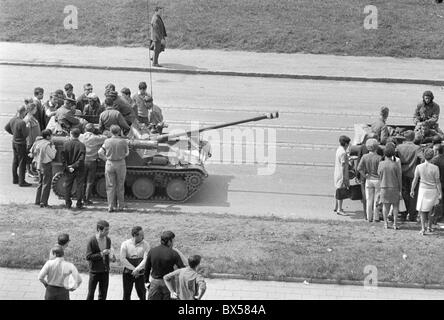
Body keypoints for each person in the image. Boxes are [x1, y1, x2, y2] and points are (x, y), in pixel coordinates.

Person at [144, 231, 185, 300]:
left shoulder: (152, 251)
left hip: (155, 283)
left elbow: (147, 268)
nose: (173, 243)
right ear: (169, 241)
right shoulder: (174, 253)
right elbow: (182, 269)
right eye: (173, 241)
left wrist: (146, 282)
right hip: (169, 284)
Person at [98, 125, 129, 212]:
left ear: (111, 132)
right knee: (120, 185)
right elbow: (127, 153)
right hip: (120, 163)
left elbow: (100, 152)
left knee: (110, 186)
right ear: (119, 132)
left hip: (110, 163)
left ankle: (110, 206)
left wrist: (106, 159)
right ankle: (121, 205)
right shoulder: (123, 141)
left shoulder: (107, 141)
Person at [411, 148, 442, 235]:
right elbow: (437, 182)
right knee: (431, 210)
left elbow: (415, 179)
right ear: (432, 157)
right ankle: (429, 226)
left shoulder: (419, 167)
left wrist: (412, 189)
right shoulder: (435, 168)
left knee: (422, 210)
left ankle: (423, 228)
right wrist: (440, 193)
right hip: (432, 190)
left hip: (423, 190)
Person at [86, 220, 116, 300]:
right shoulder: (92, 241)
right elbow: (88, 257)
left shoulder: (108, 240)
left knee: (103, 294)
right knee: (90, 294)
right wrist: (101, 254)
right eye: (106, 230)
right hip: (94, 272)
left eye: (108, 229)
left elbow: (109, 252)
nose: (108, 232)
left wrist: (112, 257)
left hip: (105, 271)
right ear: (99, 229)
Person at [395, 130, 422, 222]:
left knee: (403, 193)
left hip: (401, 173)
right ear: (413, 137)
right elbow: (422, 158)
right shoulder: (417, 148)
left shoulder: (399, 147)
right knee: (413, 194)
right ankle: (412, 215)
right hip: (412, 173)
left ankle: (403, 213)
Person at [79, 123, 107, 205]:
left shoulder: (80, 136)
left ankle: (80, 198)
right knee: (89, 181)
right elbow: (105, 137)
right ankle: (87, 199)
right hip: (92, 161)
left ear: (85, 129)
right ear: (93, 130)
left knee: (81, 181)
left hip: (82, 161)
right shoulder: (96, 138)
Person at [120, 226, 150, 300]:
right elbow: (122, 259)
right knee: (126, 295)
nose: (143, 236)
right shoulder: (125, 244)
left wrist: (137, 269)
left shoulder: (146, 244)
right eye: (141, 235)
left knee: (142, 294)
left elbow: (146, 259)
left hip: (141, 273)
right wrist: (134, 269)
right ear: (134, 235)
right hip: (128, 273)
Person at [5, 105, 31, 187]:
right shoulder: (22, 122)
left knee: (15, 161)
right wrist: (28, 127)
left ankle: (15, 179)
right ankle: (21, 181)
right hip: (21, 144)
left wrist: (14, 133)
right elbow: (25, 134)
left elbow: (6, 128)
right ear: (23, 112)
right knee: (22, 162)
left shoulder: (13, 119)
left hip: (14, 142)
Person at [29, 129, 56, 207]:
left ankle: (37, 201)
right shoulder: (47, 145)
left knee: (40, 183)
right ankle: (44, 203)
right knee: (46, 184)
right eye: (51, 135)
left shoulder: (37, 142)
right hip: (46, 165)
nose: (52, 137)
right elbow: (52, 156)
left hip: (38, 165)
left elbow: (32, 152)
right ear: (48, 136)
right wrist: (53, 147)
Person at [378, 145, 402, 229]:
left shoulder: (381, 164)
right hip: (394, 187)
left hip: (384, 187)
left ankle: (385, 223)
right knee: (395, 206)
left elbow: (379, 175)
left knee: (385, 206)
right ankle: (395, 223)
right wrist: (400, 190)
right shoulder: (395, 165)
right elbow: (399, 178)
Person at [357, 138, 381, 222]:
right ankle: (376, 217)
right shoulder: (379, 158)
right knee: (377, 199)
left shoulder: (364, 156)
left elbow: (359, 168)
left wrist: (365, 176)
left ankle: (368, 217)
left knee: (369, 199)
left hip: (369, 179)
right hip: (377, 179)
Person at [61, 128, 86, 209]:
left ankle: (68, 203)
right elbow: (81, 159)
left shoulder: (65, 144)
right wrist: (74, 166)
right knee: (80, 186)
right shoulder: (82, 145)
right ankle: (79, 203)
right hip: (79, 169)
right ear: (79, 135)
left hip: (68, 169)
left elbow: (63, 158)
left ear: (71, 134)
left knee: (68, 186)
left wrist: (68, 167)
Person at [333, 135, 351, 215]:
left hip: (337, 172)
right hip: (342, 174)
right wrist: (345, 178)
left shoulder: (339, 149)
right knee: (341, 192)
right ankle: (339, 209)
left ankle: (336, 206)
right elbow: (344, 166)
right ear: (346, 144)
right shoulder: (343, 153)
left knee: (337, 190)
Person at [24, 102, 42, 178]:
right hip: (31, 141)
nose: (36, 110)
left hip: (35, 140)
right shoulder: (28, 119)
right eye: (35, 109)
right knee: (28, 157)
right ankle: (28, 171)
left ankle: (32, 169)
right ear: (31, 110)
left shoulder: (32, 117)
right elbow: (28, 131)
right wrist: (30, 142)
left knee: (32, 157)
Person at [431, 144, 444, 224]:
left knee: (437, 201)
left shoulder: (434, 161)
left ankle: (437, 217)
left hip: (437, 183)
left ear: (436, 151)